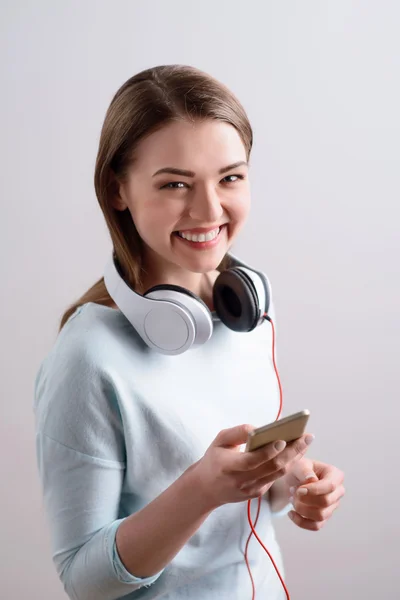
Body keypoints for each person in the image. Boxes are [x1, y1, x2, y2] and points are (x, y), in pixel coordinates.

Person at [34, 65, 345, 600]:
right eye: (176, 183)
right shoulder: (88, 356)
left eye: (230, 177)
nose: (209, 210)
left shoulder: (244, 312)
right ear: (118, 191)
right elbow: (84, 580)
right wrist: (199, 490)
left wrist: (290, 479)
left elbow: (241, 479)